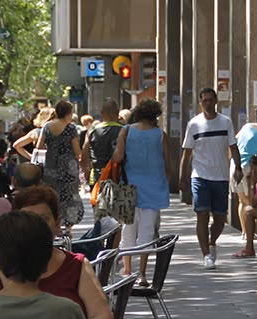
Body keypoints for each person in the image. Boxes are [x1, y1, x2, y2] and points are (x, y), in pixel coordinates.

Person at [0, 185, 113, 319]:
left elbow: (103, 318)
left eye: (43, 219)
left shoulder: (76, 265)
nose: (35, 227)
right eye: (27, 219)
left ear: (57, 224)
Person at [179, 88, 244, 270]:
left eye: (210, 100)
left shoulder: (225, 122)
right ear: (200, 103)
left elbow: (233, 146)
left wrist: (238, 167)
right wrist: (182, 177)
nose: (208, 103)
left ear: (216, 101)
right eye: (204, 100)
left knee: (220, 218)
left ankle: (211, 241)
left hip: (220, 176)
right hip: (200, 176)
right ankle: (206, 254)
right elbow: (187, 153)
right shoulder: (194, 124)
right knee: (202, 214)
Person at [110, 98, 171, 285]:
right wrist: (165, 182)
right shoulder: (161, 135)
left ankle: (127, 270)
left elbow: (118, 156)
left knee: (128, 231)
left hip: (129, 188)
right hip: (153, 189)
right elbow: (168, 163)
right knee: (147, 232)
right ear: (155, 115)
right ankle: (142, 273)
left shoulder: (126, 131)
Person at [38, 100, 84, 230]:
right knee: (69, 197)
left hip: (51, 166)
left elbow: (39, 146)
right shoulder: (70, 128)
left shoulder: (47, 126)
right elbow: (76, 151)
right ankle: (67, 228)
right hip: (68, 168)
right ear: (69, 113)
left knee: (52, 196)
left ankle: (54, 225)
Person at [233, 113, 257, 240]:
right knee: (253, 203)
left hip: (235, 167)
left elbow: (234, 142)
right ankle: (249, 234)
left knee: (242, 201)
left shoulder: (246, 126)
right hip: (249, 168)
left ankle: (244, 232)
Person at [85, 99, 124, 183]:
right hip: (119, 176)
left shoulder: (92, 131)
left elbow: (84, 155)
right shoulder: (126, 130)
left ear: (102, 113)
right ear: (118, 112)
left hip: (97, 176)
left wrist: (86, 171)